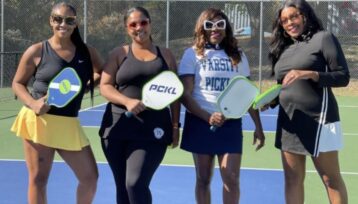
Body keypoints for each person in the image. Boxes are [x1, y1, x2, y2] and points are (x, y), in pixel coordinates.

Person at [10, 2, 103, 204]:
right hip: (39, 122)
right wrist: (33, 104)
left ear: (76, 24)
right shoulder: (36, 50)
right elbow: (17, 83)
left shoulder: (87, 52)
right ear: (51, 21)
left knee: (90, 178)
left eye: (70, 20)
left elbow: (101, 73)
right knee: (39, 179)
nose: (64, 24)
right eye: (58, 19)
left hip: (68, 123)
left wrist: (84, 88)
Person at [178, 8, 265, 204]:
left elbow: (247, 92)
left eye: (220, 24)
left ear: (226, 28)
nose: (215, 29)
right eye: (209, 25)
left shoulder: (238, 55)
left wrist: (258, 126)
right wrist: (207, 116)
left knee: (232, 179)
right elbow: (186, 95)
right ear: (202, 28)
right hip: (200, 123)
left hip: (230, 124)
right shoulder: (191, 55)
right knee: (203, 179)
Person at [268, 0, 350, 203]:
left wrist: (311, 74)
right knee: (292, 178)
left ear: (305, 15)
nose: (289, 23)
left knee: (330, 179)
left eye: (294, 16)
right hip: (289, 123)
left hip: (320, 119)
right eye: (284, 20)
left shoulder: (323, 38)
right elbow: (283, 86)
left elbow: (342, 76)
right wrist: (269, 101)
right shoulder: (283, 49)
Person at [98, 6, 180, 204]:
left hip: (153, 130)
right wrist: (127, 102)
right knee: (122, 188)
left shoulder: (166, 55)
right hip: (116, 129)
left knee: (135, 183)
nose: (139, 27)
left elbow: (175, 94)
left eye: (143, 22)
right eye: (133, 24)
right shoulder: (119, 54)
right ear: (127, 28)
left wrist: (176, 126)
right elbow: (105, 87)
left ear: (150, 24)